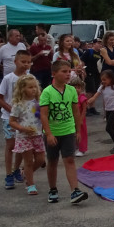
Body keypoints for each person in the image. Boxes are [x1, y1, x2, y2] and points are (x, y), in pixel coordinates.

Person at [39, 60, 88, 204]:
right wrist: (48, 134)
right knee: (52, 162)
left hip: (68, 130)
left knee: (69, 160)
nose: (68, 74)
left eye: (68, 71)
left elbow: (75, 111)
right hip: (53, 133)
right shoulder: (47, 92)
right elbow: (43, 114)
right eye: (64, 72)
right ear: (54, 74)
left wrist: (78, 131)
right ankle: (53, 189)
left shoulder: (71, 90)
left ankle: (75, 190)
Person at [0, 50, 31, 189]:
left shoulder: (30, 78)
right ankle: (8, 174)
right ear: (15, 61)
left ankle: (17, 169)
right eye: (23, 62)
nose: (26, 65)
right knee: (10, 146)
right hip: (9, 118)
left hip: (25, 118)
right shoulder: (8, 78)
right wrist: (12, 110)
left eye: (28, 62)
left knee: (22, 147)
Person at [8, 74, 45, 196]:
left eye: (35, 87)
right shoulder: (18, 104)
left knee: (40, 159)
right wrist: (22, 128)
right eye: (30, 87)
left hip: (38, 134)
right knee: (28, 161)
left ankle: (26, 173)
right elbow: (12, 121)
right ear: (22, 88)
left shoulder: (39, 102)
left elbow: (43, 116)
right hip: (24, 136)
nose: (33, 89)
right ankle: (30, 184)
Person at [94, 69, 114, 153]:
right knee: (111, 127)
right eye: (102, 80)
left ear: (110, 79)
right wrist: (89, 101)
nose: (103, 81)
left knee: (108, 128)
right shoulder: (102, 87)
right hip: (107, 110)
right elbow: (95, 96)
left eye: (104, 79)